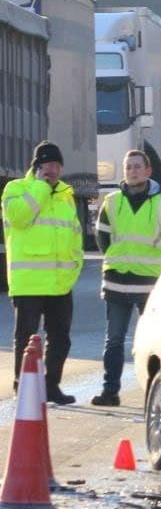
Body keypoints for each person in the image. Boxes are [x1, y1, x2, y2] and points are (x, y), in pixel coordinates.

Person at [91, 150, 161, 407]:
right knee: (114, 340)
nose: (133, 171)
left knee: (154, 345)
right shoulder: (111, 202)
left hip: (150, 286)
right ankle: (110, 392)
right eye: (128, 167)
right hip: (117, 281)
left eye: (137, 166)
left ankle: (158, 397)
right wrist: (118, 258)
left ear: (148, 171)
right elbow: (102, 239)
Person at [2, 141, 84, 404]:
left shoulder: (66, 195)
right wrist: (39, 187)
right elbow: (19, 218)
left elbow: (75, 235)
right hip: (29, 282)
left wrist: (74, 268)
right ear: (36, 167)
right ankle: (23, 387)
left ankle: (51, 386)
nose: (53, 170)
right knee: (25, 339)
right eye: (47, 164)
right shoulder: (16, 189)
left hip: (60, 283)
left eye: (57, 165)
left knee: (60, 339)